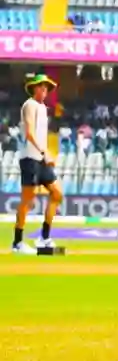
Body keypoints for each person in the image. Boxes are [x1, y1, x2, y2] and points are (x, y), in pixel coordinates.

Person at [11, 74, 62, 256]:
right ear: (34, 88)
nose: (45, 90)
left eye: (46, 87)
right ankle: (17, 242)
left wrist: (44, 154)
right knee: (28, 201)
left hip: (40, 159)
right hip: (30, 158)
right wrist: (45, 152)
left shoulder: (42, 108)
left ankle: (44, 237)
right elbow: (29, 134)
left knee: (57, 193)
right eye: (41, 86)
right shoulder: (29, 105)